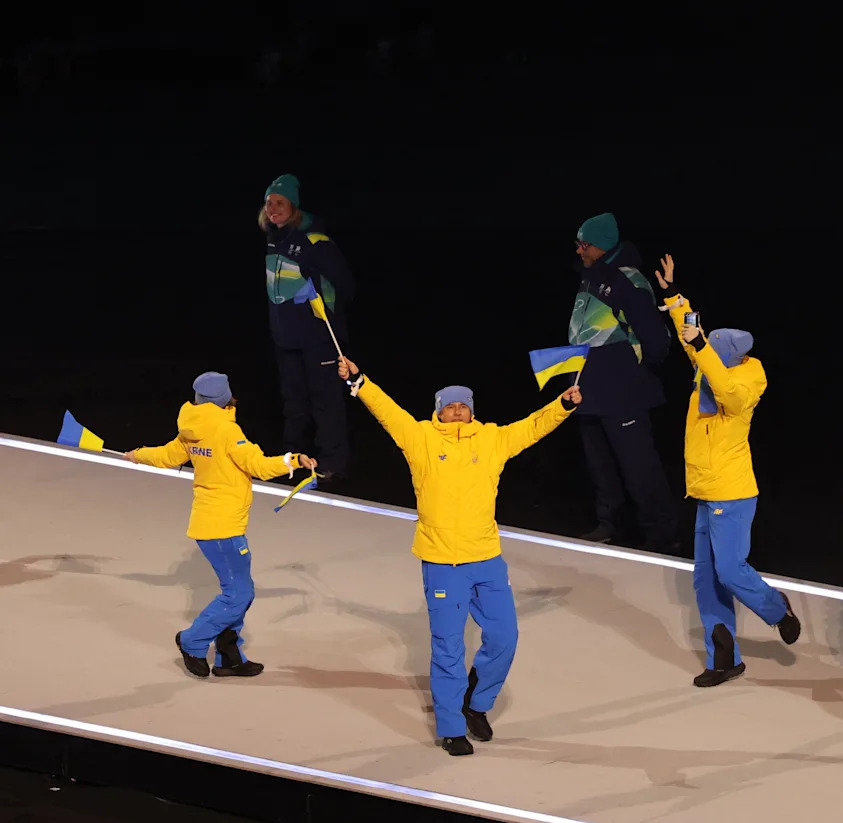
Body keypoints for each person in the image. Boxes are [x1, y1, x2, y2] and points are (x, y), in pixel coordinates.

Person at [336, 356, 580, 756]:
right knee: (448, 648)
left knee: (504, 637)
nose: (456, 411)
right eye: (449, 406)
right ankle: (451, 728)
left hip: (486, 558)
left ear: (471, 411)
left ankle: (476, 704)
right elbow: (387, 411)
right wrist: (359, 380)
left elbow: (532, 427)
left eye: (462, 406)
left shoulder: (492, 439)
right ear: (438, 411)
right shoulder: (420, 438)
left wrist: (563, 405)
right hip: (443, 563)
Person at [652, 254, 801, 687]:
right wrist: (673, 296)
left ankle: (776, 608)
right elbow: (693, 346)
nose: (701, 357)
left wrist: (702, 349)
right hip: (704, 489)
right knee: (705, 580)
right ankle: (724, 659)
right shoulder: (713, 363)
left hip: (732, 492)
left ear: (730, 357)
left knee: (731, 571)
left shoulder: (745, 384)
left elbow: (725, 390)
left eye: (710, 353)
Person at [124, 371, 317, 679]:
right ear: (225, 398)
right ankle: (192, 641)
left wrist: (137, 455)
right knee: (238, 594)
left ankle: (230, 655)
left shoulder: (192, 428)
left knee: (240, 591)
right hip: (222, 528)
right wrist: (292, 460)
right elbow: (257, 465)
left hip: (214, 524)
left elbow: (167, 455)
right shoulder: (227, 430)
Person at [568, 211, 678, 552]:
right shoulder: (590, 277)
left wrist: (628, 369)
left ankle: (661, 534)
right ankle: (610, 525)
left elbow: (656, 341)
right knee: (600, 465)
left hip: (622, 392)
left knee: (639, 466)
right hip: (588, 389)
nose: (579, 250)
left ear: (601, 245)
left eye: (584, 244)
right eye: (579, 244)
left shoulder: (628, 280)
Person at [261, 173, 357, 484]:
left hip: (318, 338)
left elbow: (346, 286)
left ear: (294, 206)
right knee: (293, 402)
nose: (273, 209)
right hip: (286, 337)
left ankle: (331, 461)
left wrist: (322, 307)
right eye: (269, 203)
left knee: (325, 401)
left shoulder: (315, 241)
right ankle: (293, 457)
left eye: (280, 203)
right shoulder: (274, 238)